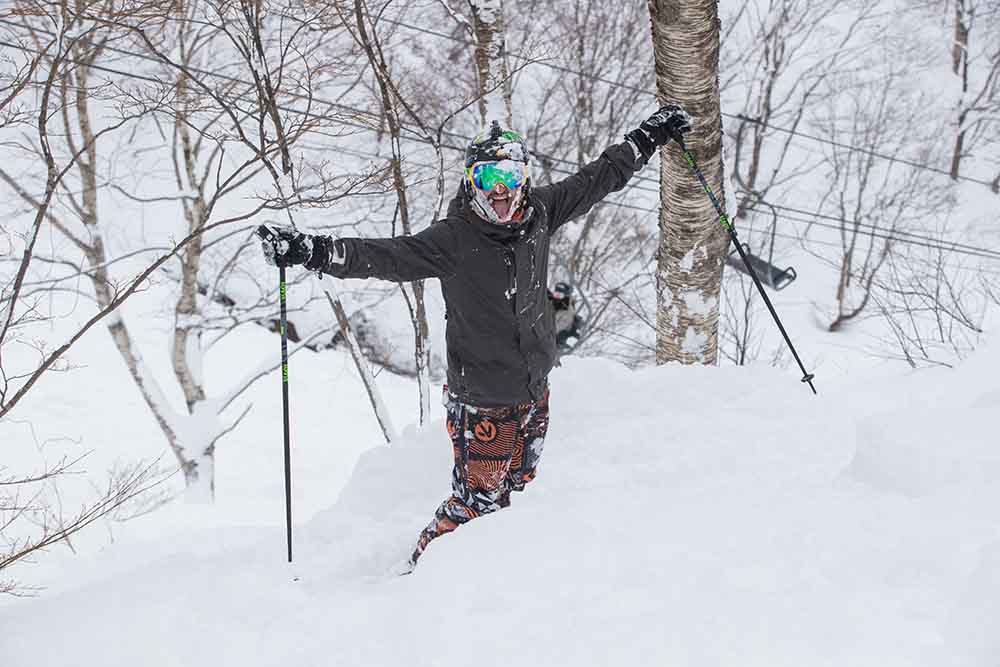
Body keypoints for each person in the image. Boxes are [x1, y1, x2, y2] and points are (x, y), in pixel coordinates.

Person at [258, 104, 692, 572]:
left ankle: (492, 574)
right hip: (482, 401)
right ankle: (421, 573)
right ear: (472, 181)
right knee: (477, 503)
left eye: (509, 174)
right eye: (488, 178)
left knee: (520, 490)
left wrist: (647, 138)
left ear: (524, 177)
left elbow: (599, 178)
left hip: (534, 389)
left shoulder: (541, 213)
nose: (500, 189)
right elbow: (384, 257)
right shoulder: (453, 240)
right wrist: (312, 251)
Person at [548, 281, 583, 352]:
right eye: (555, 294)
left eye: (559, 295)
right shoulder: (554, 302)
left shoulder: (567, 311)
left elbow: (556, 328)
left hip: (554, 341)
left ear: (566, 296)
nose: (557, 297)